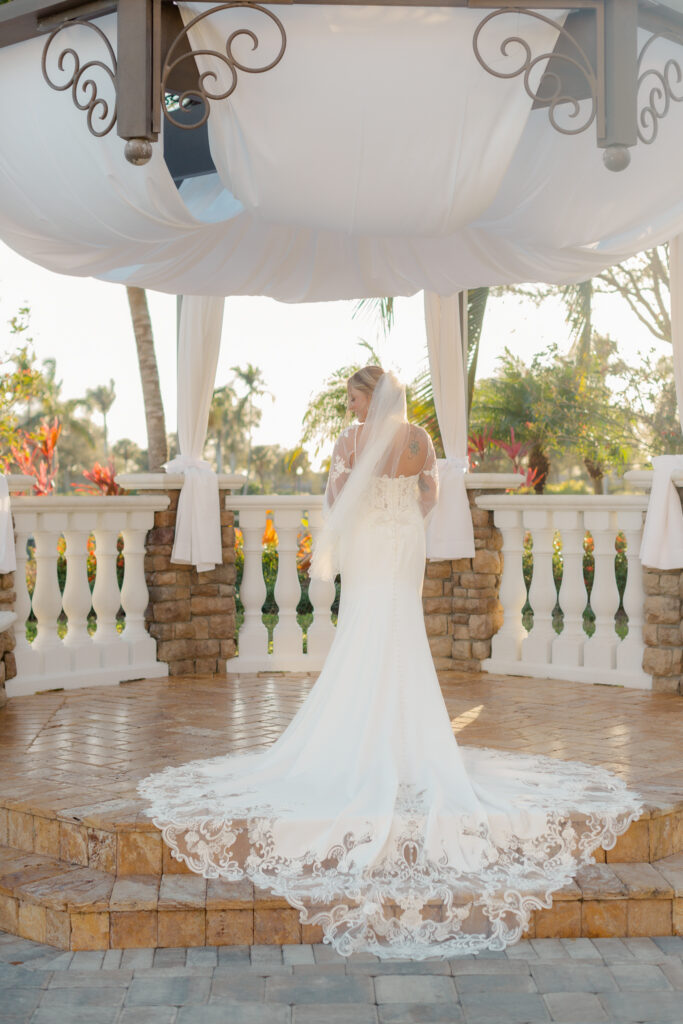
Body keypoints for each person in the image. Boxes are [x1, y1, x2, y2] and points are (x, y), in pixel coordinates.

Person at [138, 365, 642, 959]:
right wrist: (407, 511)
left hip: (375, 541)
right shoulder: (420, 439)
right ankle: (410, 744)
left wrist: (364, 511)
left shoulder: (352, 442)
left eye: (353, 396)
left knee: (370, 629)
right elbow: (429, 494)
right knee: (402, 631)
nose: (351, 407)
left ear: (369, 397)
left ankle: (366, 737)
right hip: (406, 540)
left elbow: (335, 498)